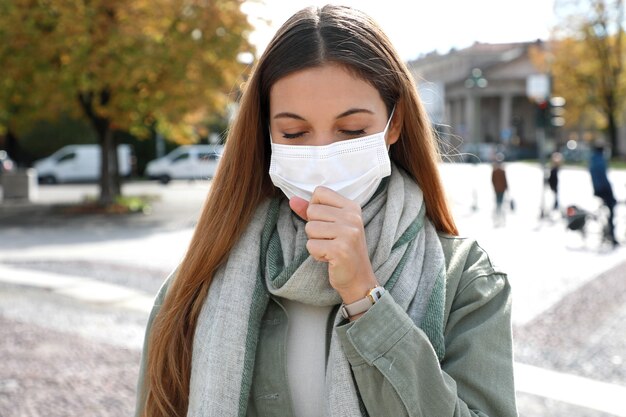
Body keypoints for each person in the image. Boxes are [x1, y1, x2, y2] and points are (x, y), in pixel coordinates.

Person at [135, 5, 518, 417]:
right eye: (294, 133)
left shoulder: (466, 277)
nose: (321, 154)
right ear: (266, 133)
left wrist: (366, 299)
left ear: (395, 122)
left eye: (351, 131)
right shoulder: (202, 277)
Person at [589, 141, 618, 246]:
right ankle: (612, 235)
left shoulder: (593, 159)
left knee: (608, 210)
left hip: (598, 189)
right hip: (604, 189)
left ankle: (608, 232)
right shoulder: (600, 160)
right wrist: (609, 191)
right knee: (612, 209)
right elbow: (603, 179)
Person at [491, 154, 508, 227]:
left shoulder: (495, 171)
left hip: (498, 189)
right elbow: (505, 181)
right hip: (501, 189)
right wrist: (507, 188)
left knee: (498, 202)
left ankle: (498, 212)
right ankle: (499, 213)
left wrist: (494, 187)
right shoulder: (501, 171)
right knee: (500, 202)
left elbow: (492, 180)